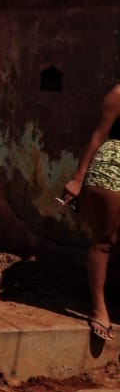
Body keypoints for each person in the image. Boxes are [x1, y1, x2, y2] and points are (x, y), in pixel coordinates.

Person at [62, 84, 120, 341]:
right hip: (114, 168)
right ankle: (99, 308)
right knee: (105, 241)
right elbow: (99, 135)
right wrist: (77, 179)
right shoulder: (119, 93)